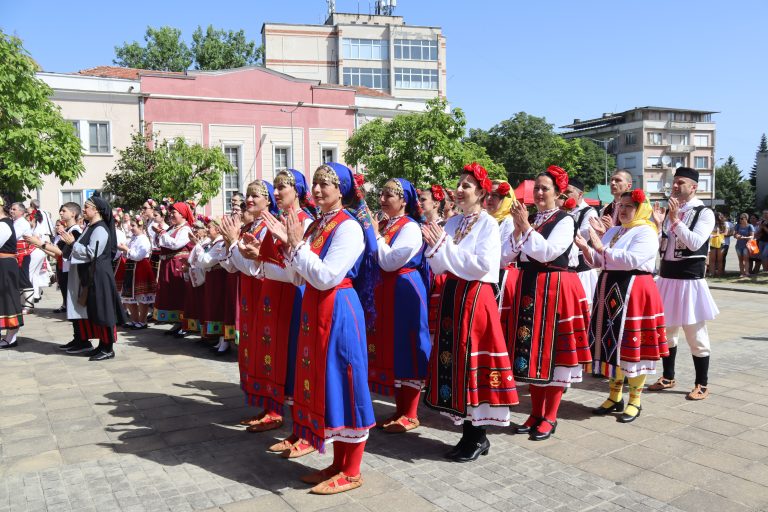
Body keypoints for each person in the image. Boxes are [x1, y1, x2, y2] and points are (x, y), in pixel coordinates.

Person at [271, 162, 377, 494]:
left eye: (325, 184)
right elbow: (298, 276)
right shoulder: (317, 224)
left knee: (346, 384)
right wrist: (289, 246)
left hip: (339, 310)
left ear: (342, 189)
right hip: (316, 309)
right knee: (327, 386)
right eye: (315, 183)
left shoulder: (349, 227)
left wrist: (298, 246)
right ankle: (337, 463)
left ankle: (353, 470)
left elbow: (327, 275)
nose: (317, 189)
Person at [422, 162, 519, 462]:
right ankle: (466, 433)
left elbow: (482, 265)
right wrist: (437, 247)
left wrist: (443, 247)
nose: (460, 189)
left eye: (467, 186)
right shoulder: (452, 224)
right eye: (459, 184)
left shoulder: (488, 224)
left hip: (476, 297)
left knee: (473, 362)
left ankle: (478, 436)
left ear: (480, 193)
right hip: (454, 294)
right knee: (457, 363)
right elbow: (440, 265)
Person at [502, 165, 591, 441]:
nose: (539, 193)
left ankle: (550, 416)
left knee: (552, 354)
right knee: (530, 352)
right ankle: (535, 412)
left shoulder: (565, 219)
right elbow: (507, 254)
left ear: (558, 192)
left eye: (545, 188)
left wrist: (525, 228)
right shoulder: (531, 219)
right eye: (537, 188)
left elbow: (549, 252)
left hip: (553, 288)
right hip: (529, 287)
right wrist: (520, 230)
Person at [575, 189, 668, 423]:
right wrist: (587, 248)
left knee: (632, 346)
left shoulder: (647, 231)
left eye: (629, 206)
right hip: (609, 289)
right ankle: (614, 396)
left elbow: (631, 260)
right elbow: (600, 261)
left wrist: (599, 246)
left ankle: (635, 400)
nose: (623, 210)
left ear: (640, 208)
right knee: (611, 344)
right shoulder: (615, 231)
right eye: (620, 206)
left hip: (634, 289)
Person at [249, 169, 316, 457]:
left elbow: (297, 273)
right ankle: (296, 428)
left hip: (296, 298)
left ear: (297, 191)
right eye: (275, 187)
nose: (276, 192)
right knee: (283, 362)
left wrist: (261, 262)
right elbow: (266, 262)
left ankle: (304, 431)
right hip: (276, 297)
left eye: (282, 187)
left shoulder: (306, 222)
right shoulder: (278, 221)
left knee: (299, 365)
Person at [368, 178, 431, 434]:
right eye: (381, 194)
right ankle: (399, 409)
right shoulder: (384, 224)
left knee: (409, 344)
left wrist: (375, 236)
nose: (382, 199)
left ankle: (412, 412)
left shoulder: (411, 227)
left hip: (405, 288)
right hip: (386, 291)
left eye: (389, 195)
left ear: (403, 200)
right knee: (392, 347)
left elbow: (391, 261)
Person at [650, 167, 719, 400]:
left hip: (690, 281)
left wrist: (674, 221)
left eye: (680, 182)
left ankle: (702, 383)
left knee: (696, 334)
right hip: (668, 278)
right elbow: (660, 247)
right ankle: (668, 376)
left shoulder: (704, 212)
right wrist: (659, 226)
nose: (675, 186)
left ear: (694, 187)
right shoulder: (670, 211)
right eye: (674, 182)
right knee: (667, 331)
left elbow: (695, 242)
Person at [218, 181, 278, 421]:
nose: (249, 200)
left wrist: (233, 242)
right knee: (253, 347)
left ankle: (273, 410)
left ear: (268, 201)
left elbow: (254, 267)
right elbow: (233, 267)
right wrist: (228, 241)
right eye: (248, 196)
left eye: (256, 196)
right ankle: (265, 404)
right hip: (249, 294)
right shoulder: (250, 227)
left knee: (266, 347)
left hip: (264, 292)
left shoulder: (268, 228)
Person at [63, 196, 127, 361]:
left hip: (100, 275)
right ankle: (101, 345)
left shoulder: (100, 228)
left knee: (103, 310)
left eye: (86, 207)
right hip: (93, 274)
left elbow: (93, 252)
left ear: (96, 210)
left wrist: (73, 243)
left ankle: (108, 348)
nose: (84, 210)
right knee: (96, 310)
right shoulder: (90, 227)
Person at [153, 202, 194, 334]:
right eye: (170, 213)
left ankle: (185, 324)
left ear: (182, 215)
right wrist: (160, 234)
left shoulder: (185, 229)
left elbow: (175, 244)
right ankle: (177, 323)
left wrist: (162, 233)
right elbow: (160, 243)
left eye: (174, 213)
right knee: (172, 295)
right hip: (168, 264)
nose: (171, 215)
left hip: (178, 264)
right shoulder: (172, 228)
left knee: (180, 293)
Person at [560, 177, 599, 306]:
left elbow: (582, 238)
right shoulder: (563, 210)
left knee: (583, 310)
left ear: (580, 194)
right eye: (563, 192)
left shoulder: (589, 212)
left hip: (583, 269)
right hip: (566, 268)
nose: (565, 195)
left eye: (569, 192)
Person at [117, 216, 155, 329]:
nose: (131, 228)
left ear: (140, 226)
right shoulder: (133, 238)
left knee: (142, 296)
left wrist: (126, 250)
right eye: (131, 225)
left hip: (141, 268)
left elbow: (139, 256)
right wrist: (124, 249)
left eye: (133, 225)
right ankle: (135, 320)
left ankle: (142, 321)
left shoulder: (144, 239)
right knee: (128, 297)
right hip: (130, 268)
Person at [419, 185, 447, 336]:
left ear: (436, 204)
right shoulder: (418, 226)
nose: (419, 202)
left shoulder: (446, 226)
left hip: (436, 277)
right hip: (422, 276)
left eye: (423, 199)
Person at [0, 197, 23, 349]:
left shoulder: (3, 225)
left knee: (7, 297)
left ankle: (11, 336)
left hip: (5, 265)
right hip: (3, 265)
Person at [9, 202, 35, 313]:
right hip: (18, 254)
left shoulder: (22, 223)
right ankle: (20, 304)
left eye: (14, 209)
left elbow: (13, 237)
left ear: (21, 212)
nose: (11, 211)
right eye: (11, 209)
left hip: (23, 254)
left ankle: (29, 306)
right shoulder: (16, 222)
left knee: (23, 278)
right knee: (18, 278)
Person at [594, 170, 633, 235]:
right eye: (612, 180)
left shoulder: (633, 209)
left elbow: (633, 233)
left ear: (628, 186)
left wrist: (612, 229)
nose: (613, 183)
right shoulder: (605, 209)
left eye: (618, 180)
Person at [733, 213, 755, 277]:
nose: (740, 219)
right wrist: (736, 235)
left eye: (742, 218)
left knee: (746, 259)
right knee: (740, 259)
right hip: (738, 245)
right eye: (740, 218)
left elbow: (752, 236)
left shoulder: (750, 226)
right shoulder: (738, 226)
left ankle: (747, 272)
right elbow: (734, 234)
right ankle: (742, 273)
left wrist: (744, 237)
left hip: (746, 245)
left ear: (746, 218)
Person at [707, 213, 726, 277]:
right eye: (718, 217)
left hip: (721, 242)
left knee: (720, 259)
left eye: (720, 216)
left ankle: (719, 273)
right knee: (712, 259)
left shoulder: (723, 224)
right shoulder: (711, 223)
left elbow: (726, 233)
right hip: (713, 242)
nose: (719, 218)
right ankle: (711, 273)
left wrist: (719, 232)